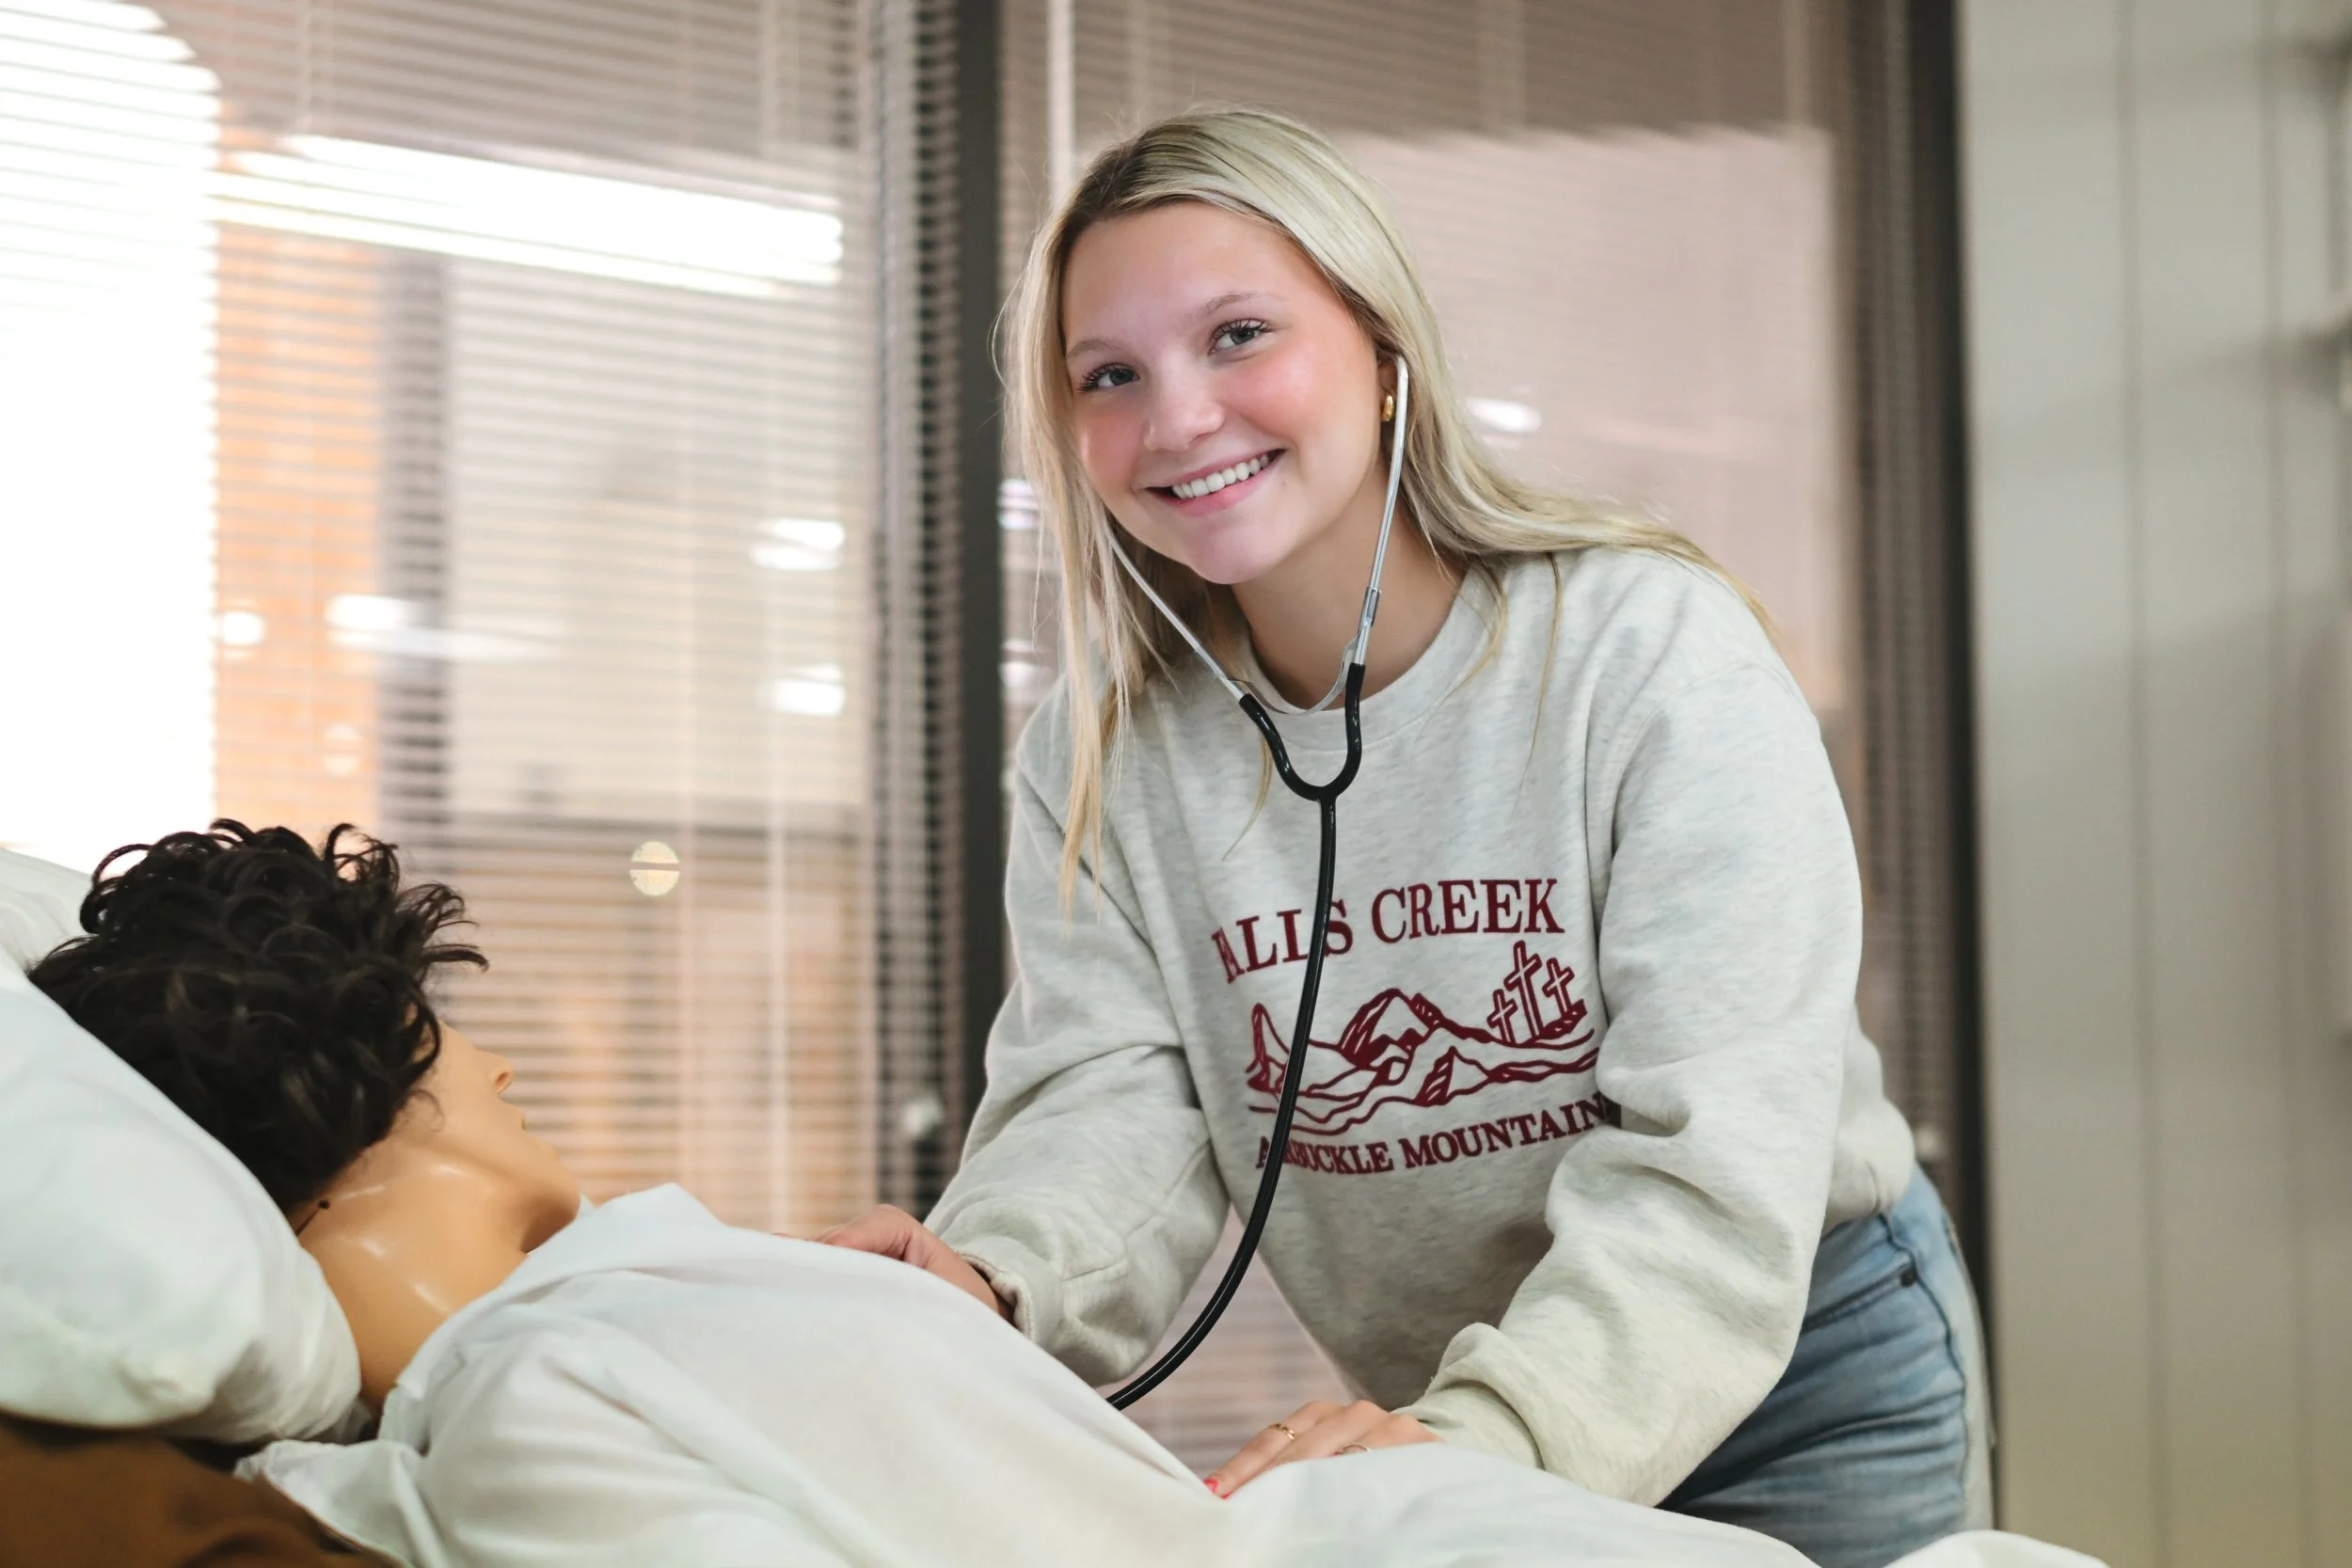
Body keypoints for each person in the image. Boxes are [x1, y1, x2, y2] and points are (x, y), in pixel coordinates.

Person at [818, 107, 1991, 1568]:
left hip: (1793, 1371)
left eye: (1238, 335)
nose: (1175, 419)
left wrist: (1480, 1447)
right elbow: (1114, 1108)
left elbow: (1716, 1152)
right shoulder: (1103, 752)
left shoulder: (1645, 650)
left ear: (1383, 354)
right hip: (1466, 1393)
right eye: (1109, 374)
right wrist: (990, 1281)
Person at [24, 819, 1819, 1568]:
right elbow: (1131, 1092)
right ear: (383, 1085)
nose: (497, 1061)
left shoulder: (612, 1320)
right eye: (445, 1026)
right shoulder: (527, 1396)